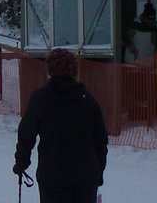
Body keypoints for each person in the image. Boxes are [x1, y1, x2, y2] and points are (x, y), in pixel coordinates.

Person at [14, 48, 108, 203]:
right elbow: (101, 140)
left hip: (52, 175)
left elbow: (26, 134)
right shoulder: (88, 101)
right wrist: (98, 172)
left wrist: (21, 163)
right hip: (85, 175)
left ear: (49, 70)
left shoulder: (40, 99)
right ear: (74, 71)